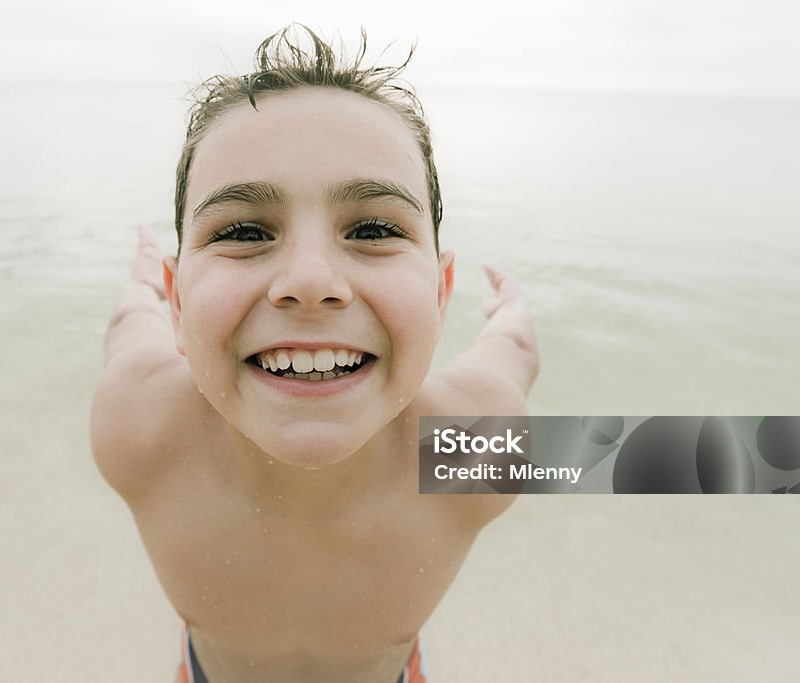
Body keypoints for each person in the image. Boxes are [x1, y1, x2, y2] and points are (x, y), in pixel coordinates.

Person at [90, 24, 538, 683]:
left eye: (374, 228)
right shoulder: (145, 427)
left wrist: (510, 310)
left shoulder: (468, 450)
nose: (309, 280)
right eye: (243, 231)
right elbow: (134, 325)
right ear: (179, 305)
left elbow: (514, 350)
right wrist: (141, 288)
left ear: (442, 299)